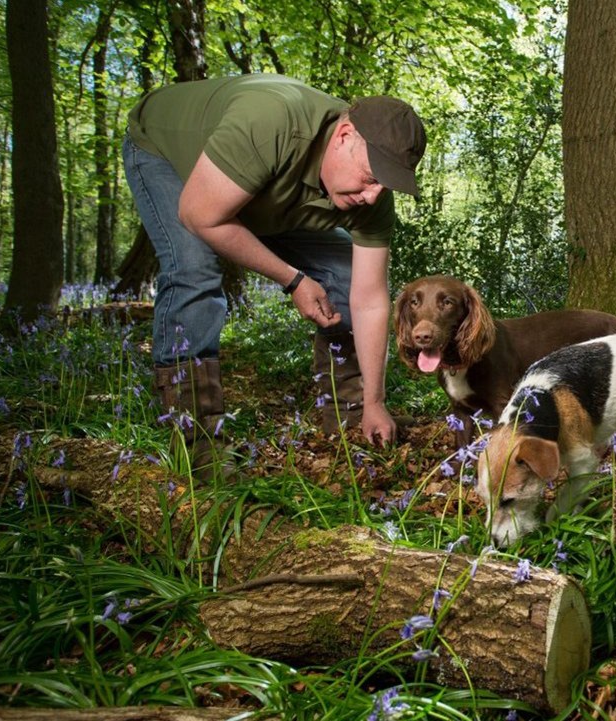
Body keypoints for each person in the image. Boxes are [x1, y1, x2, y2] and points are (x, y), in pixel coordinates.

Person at [122, 74, 426, 464]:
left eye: (385, 185)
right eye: (370, 178)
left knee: (346, 267)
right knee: (194, 269)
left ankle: (351, 415)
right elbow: (200, 215)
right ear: (345, 136)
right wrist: (293, 279)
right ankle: (193, 436)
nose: (373, 196)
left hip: (258, 189)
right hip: (167, 153)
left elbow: (369, 298)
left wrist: (376, 401)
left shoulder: (371, 196)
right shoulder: (268, 124)